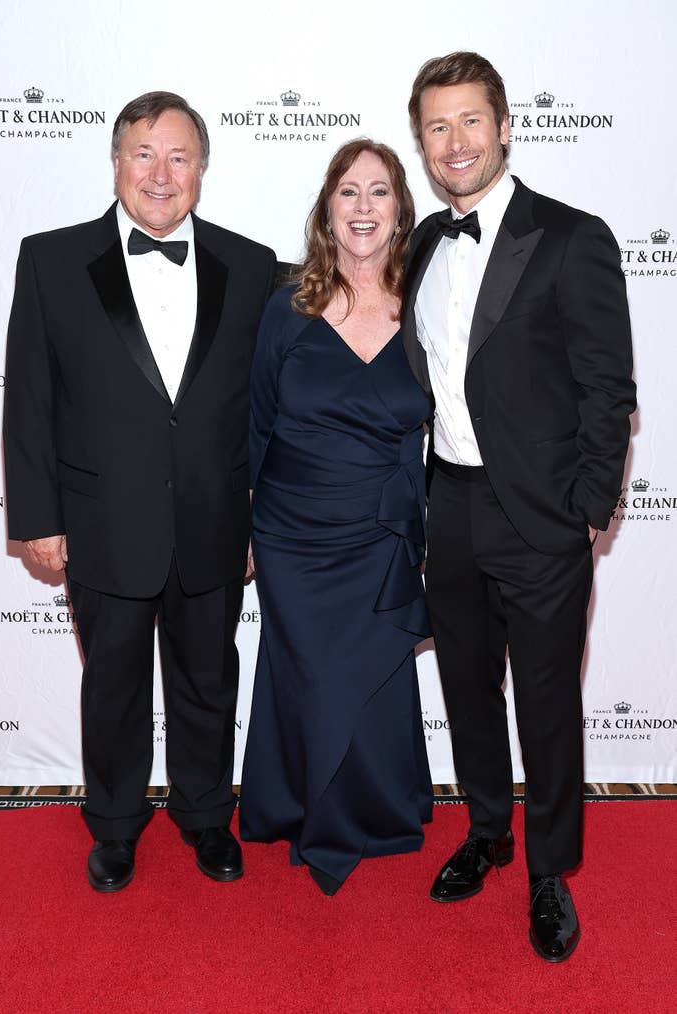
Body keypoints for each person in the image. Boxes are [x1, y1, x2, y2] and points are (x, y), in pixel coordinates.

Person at [3, 91, 276, 892]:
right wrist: (38, 518)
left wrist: (263, 509)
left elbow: (267, 408)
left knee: (207, 681)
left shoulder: (252, 265)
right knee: (113, 684)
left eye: (180, 156)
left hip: (215, 520)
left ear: (202, 169)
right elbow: (28, 400)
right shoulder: (50, 259)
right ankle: (115, 826)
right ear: (116, 162)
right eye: (144, 155)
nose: (162, 174)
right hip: (100, 522)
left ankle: (203, 818)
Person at [403, 53, 635, 960]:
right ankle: (488, 833)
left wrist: (586, 509)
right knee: (465, 691)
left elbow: (608, 387)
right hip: (449, 505)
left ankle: (549, 874)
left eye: (470, 122)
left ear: (504, 127)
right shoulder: (422, 241)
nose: (454, 143)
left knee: (544, 702)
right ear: (422, 141)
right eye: (436, 126)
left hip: (540, 518)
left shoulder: (572, 237)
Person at [239, 139, 433, 895]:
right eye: (347, 192)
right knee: (310, 673)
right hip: (292, 531)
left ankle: (383, 806)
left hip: (381, 530)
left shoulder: (426, 307)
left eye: (378, 192)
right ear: (327, 208)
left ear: (399, 211)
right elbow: (256, 425)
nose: (362, 207)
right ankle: (300, 807)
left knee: (374, 672)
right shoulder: (288, 310)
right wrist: (244, 526)